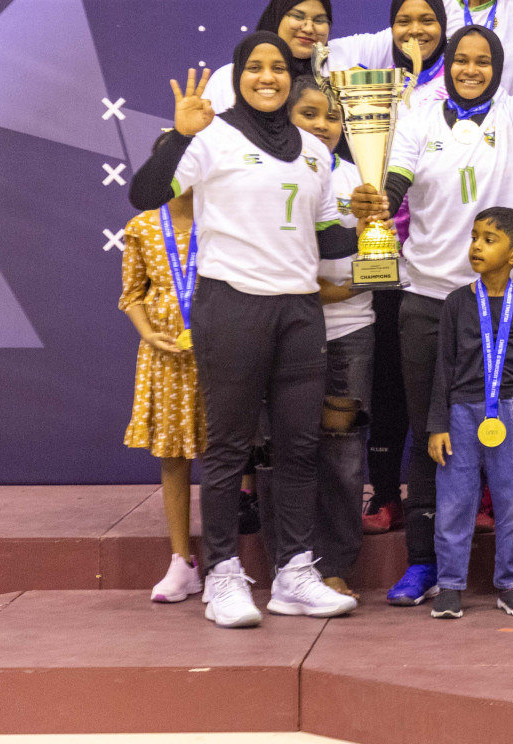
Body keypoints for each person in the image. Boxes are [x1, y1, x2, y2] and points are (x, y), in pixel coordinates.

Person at [129, 33, 384, 628]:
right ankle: (221, 576)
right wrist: (179, 135)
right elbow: (145, 195)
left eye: (276, 68)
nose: (266, 77)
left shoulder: (315, 153)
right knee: (228, 449)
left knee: (298, 447)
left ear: (289, 80)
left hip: (299, 311)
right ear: (239, 75)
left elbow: (324, 242)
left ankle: (293, 572)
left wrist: (367, 221)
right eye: (254, 68)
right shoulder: (210, 136)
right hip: (233, 306)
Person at [348, 0, 513, 608]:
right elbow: (396, 177)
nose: (472, 68)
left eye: (483, 61)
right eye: (463, 59)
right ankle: (423, 564)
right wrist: (377, 201)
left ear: (497, 70)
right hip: (426, 301)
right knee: (432, 431)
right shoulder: (416, 112)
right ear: (448, 61)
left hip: (504, 305)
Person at [427, 208, 513, 619]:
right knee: (455, 503)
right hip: (461, 413)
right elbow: (442, 368)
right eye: (474, 237)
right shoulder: (457, 303)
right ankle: (449, 585)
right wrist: (437, 425)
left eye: (488, 240)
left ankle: (511, 583)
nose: (476, 246)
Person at [287, 78, 374, 599]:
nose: (323, 125)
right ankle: (289, 558)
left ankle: (336, 564)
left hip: (351, 330)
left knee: (342, 454)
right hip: (286, 330)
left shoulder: (362, 176)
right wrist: (315, 291)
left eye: (332, 117)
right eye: (310, 114)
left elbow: (380, 262)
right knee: (287, 447)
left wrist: (340, 289)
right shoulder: (269, 175)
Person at [118, 154, 207, 603]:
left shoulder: (226, 219)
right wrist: (149, 332)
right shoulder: (143, 226)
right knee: (174, 454)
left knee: (234, 454)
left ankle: (229, 559)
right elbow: (133, 294)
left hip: (223, 352)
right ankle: (180, 561)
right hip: (167, 358)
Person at [203, 0, 332, 112]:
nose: (309, 28)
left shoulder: (337, 81)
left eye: (319, 20)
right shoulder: (228, 79)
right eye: (298, 16)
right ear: (276, 17)